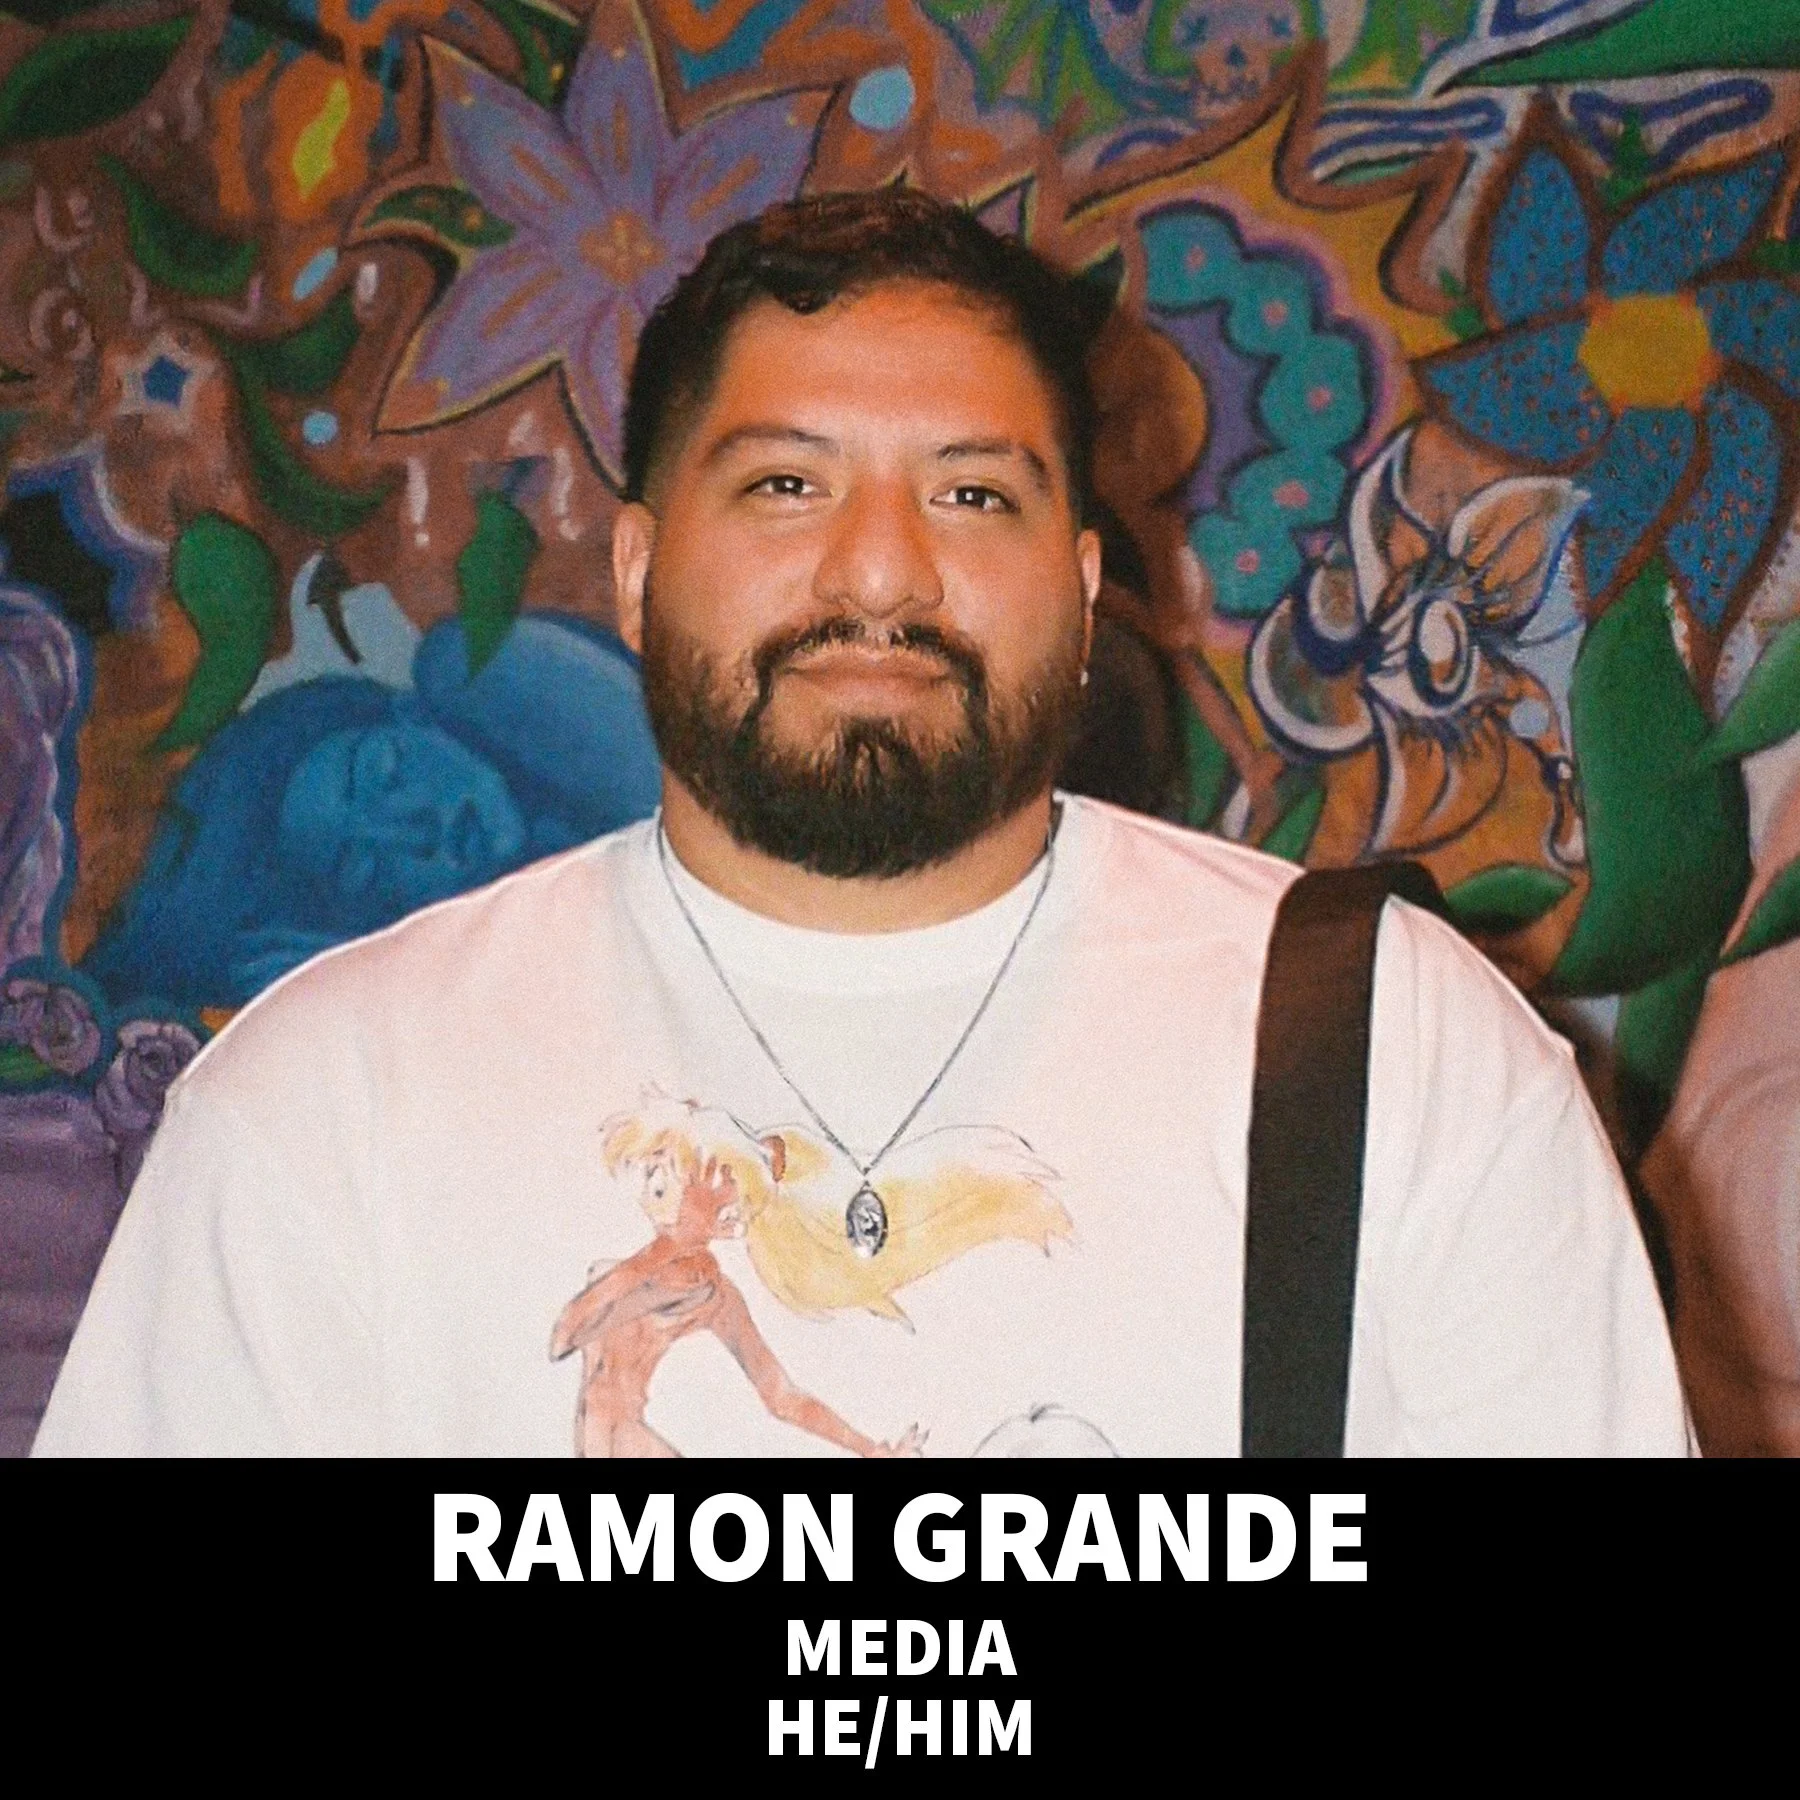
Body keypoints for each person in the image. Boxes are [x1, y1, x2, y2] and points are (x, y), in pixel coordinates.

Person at [36, 190, 1686, 1456]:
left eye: (974, 494)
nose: (882, 573)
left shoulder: (1403, 1052)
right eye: (786, 486)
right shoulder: (329, 1099)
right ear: (632, 567)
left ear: (1090, 585)